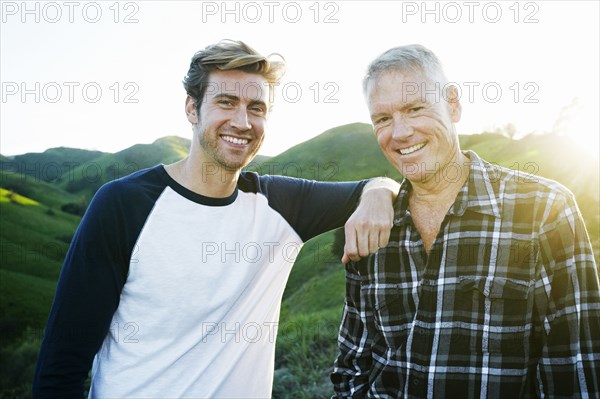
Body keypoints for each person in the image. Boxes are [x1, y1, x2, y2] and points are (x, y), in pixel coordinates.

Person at [32, 39, 400, 398]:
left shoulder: (282, 205)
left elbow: (377, 184)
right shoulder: (123, 204)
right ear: (192, 108)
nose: (242, 122)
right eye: (226, 102)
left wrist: (379, 193)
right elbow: (63, 361)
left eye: (256, 108)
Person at [331, 44, 600, 398]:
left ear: (453, 104)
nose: (399, 133)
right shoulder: (371, 226)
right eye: (383, 119)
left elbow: (575, 370)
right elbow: (352, 367)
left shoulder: (544, 210)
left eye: (414, 109)